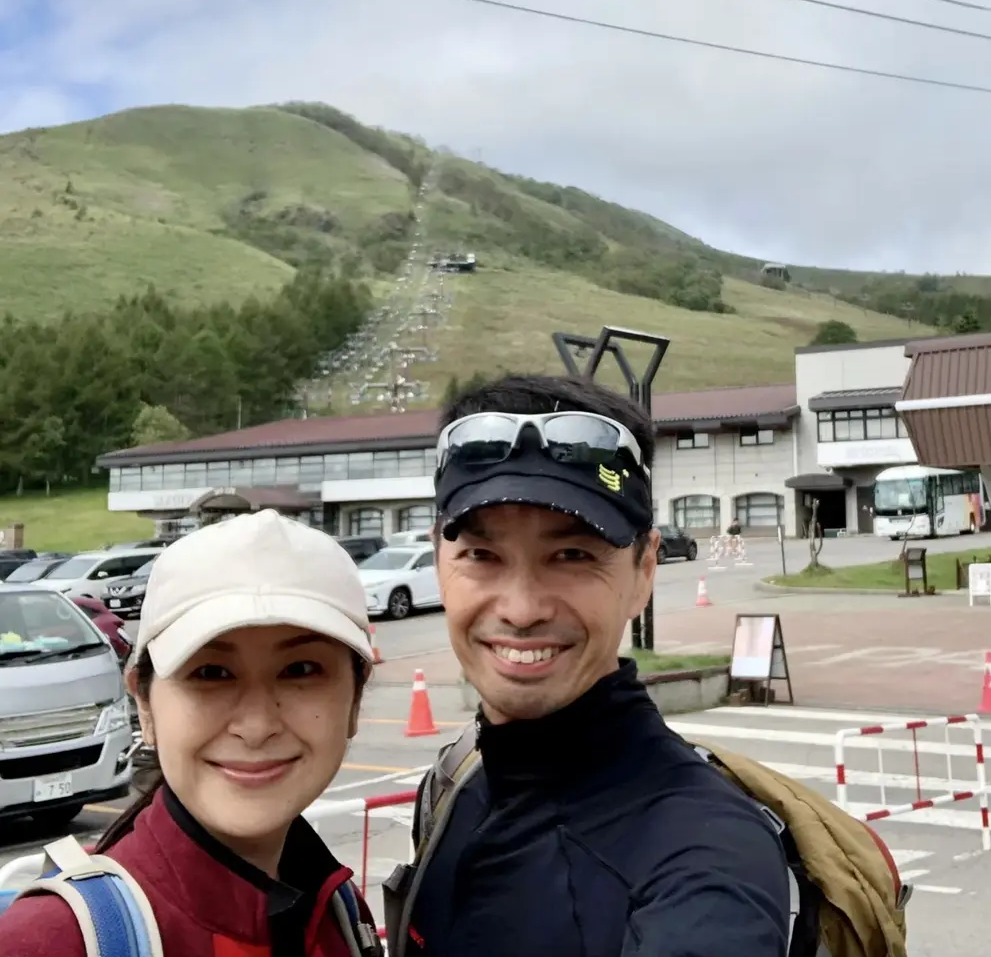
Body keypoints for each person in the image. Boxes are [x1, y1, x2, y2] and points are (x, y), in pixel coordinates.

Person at [384, 374, 798, 956]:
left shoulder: (706, 853)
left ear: (644, 572)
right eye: (482, 555)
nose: (522, 609)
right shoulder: (458, 787)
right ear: (439, 560)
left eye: (572, 554)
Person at [0, 509, 384, 957]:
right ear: (144, 704)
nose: (256, 727)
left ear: (354, 699)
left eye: (301, 669)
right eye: (211, 672)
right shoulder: (51, 942)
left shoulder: (342, 912)